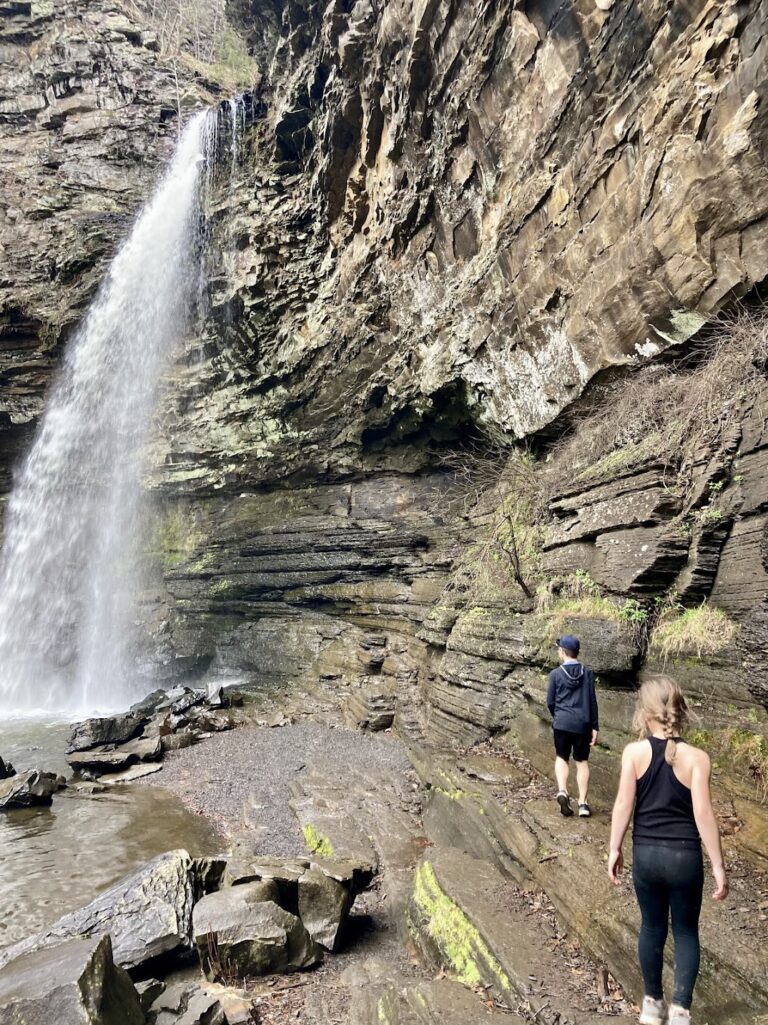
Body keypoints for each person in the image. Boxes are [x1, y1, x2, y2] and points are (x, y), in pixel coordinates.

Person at [608, 674, 728, 1025]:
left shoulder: (633, 753)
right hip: (684, 858)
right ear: (680, 711)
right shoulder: (697, 758)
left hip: (646, 855)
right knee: (686, 931)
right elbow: (703, 815)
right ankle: (679, 1011)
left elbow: (621, 806)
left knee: (651, 927)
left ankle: (651, 1004)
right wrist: (718, 865)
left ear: (644, 713)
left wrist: (614, 848)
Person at [546, 634, 599, 818]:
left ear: (562, 652)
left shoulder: (555, 674)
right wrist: (595, 727)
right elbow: (592, 702)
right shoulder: (588, 673)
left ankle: (563, 791)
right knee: (582, 761)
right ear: (576, 652)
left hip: (562, 723)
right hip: (582, 724)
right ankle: (583, 804)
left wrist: (558, 717)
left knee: (562, 757)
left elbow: (550, 701)